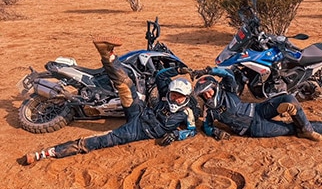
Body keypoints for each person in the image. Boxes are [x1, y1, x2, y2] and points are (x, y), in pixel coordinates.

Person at [21, 37, 198, 165]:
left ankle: (47, 153)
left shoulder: (187, 113)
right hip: (140, 112)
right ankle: (108, 55)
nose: (174, 98)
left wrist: (177, 135)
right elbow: (160, 75)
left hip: (139, 130)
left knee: (103, 140)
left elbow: (192, 130)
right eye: (174, 94)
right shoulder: (166, 94)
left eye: (179, 96)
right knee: (127, 87)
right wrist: (178, 69)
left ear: (186, 97)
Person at [192, 66, 322, 141]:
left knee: (289, 100)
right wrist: (215, 132)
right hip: (254, 129)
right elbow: (207, 126)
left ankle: (307, 129)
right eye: (203, 94)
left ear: (215, 87)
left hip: (258, 109)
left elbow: (227, 74)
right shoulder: (209, 110)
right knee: (290, 128)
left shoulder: (228, 90)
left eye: (209, 91)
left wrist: (209, 70)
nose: (207, 95)